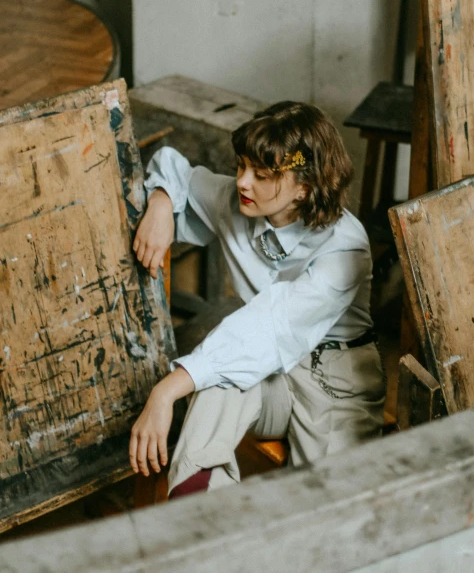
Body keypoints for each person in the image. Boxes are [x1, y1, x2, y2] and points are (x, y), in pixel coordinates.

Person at [129, 101, 385, 497]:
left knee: (328, 511)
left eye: (261, 175)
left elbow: (268, 327)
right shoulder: (238, 200)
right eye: (240, 166)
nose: (243, 182)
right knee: (222, 380)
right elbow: (175, 168)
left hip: (334, 382)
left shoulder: (344, 248)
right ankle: (200, 507)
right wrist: (162, 203)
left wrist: (166, 390)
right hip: (271, 379)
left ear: (305, 186)